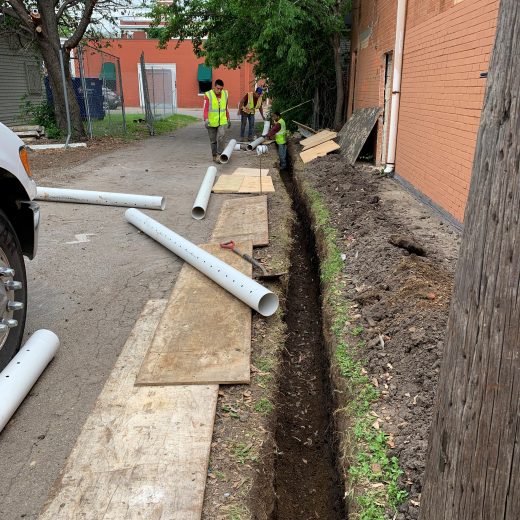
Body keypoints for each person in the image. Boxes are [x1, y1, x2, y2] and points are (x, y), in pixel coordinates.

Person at [203, 79, 231, 163]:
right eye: (218, 88)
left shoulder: (225, 94)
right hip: (211, 122)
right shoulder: (208, 95)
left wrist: (228, 118)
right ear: (214, 86)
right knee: (213, 140)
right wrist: (206, 119)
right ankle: (214, 155)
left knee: (221, 137)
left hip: (222, 121)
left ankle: (219, 154)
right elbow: (205, 108)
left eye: (221, 89)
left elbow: (226, 108)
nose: (219, 90)